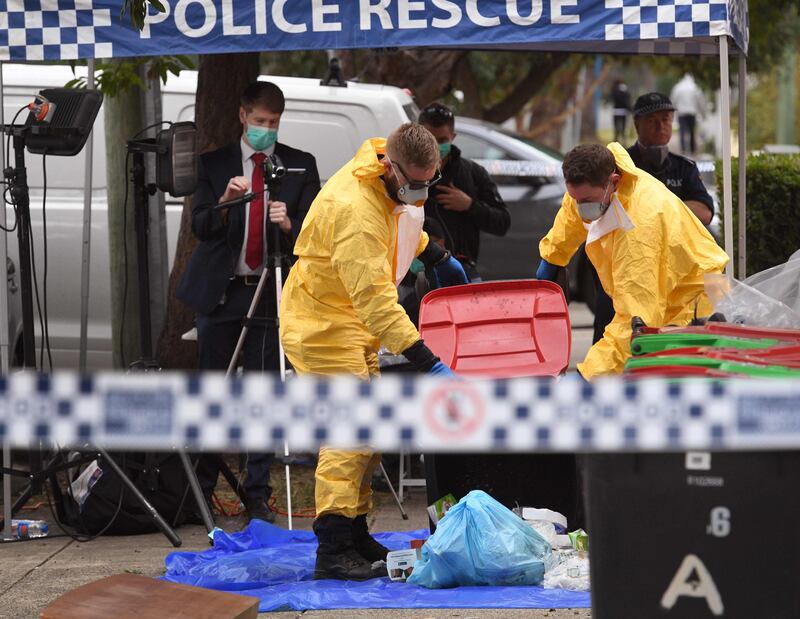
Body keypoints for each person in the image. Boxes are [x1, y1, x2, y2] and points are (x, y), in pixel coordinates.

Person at [280, 122, 466, 580]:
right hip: (322, 323)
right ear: (391, 166)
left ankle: (356, 530)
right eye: (416, 184)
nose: (422, 192)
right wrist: (427, 361)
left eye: (430, 181)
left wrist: (436, 254)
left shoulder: (391, 183)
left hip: (351, 321)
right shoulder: (354, 210)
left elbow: (401, 225)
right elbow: (377, 301)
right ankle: (333, 547)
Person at [176, 81, 321, 523]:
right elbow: (200, 225)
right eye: (259, 122)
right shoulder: (215, 163)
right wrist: (224, 203)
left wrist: (290, 222)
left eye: (274, 124)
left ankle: (256, 494)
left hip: (271, 290)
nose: (266, 130)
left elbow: (315, 238)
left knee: (263, 392)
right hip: (223, 292)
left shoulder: (298, 165)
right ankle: (200, 492)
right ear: (242, 116)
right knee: (212, 391)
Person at [535, 143, 728, 380]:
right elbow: (571, 216)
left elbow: (635, 323)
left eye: (585, 200)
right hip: (670, 283)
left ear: (614, 182)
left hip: (698, 292)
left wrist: (587, 377)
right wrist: (552, 257)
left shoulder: (640, 228)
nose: (580, 207)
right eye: (575, 198)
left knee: (661, 365)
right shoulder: (595, 184)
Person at [584, 92, 718, 343]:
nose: (661, 126)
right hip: (622, 269)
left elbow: (704, 212)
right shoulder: (617, 165)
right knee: (612, 336)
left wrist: (653, 208)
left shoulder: (684, 167)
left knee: (665, 340)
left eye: (666, 119)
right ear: (636, 124)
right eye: (652, 120)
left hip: (672, 270)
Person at [418, 103, 510, 282]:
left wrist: (470, 206)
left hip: (461, 269)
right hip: (415, 273)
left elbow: (503, 222)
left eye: (442, 140)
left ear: (453, 137)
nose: (435, 147)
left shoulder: (473, 174)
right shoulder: (404, 173)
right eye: (430, 139)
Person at [670, 74, 707, 155]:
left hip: (681, 113)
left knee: (682, 131)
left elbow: (673, 100)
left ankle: (683, 150)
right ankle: (692, 150)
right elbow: (700, 101)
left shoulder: (678, 87)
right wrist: (703, 114)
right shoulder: (695, 87)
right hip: (692, 112)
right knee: (692, 131)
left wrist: (671, 112)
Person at [610, 79, 632, 143]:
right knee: (623, 128)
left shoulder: (614, 90)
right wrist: (630, 109)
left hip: (615, 111)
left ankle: (615, 141)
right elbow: (627, 101)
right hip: (623, 111)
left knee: (616, 128)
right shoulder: (625, 91)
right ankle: (624, 141)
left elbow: (612, 98)